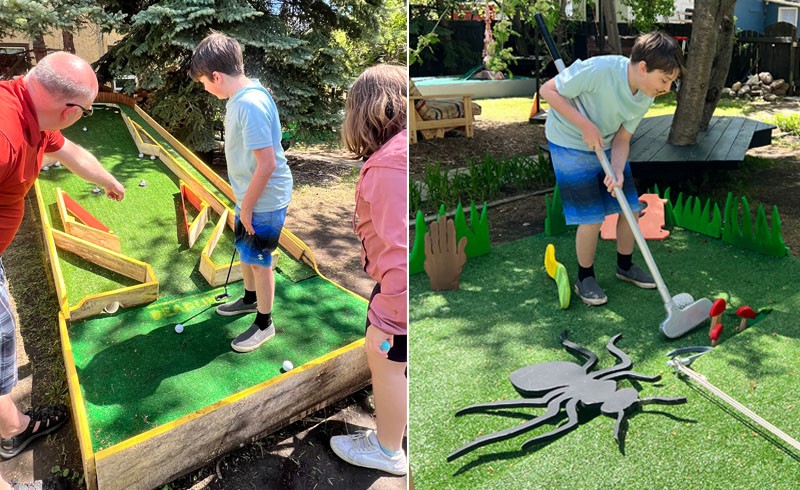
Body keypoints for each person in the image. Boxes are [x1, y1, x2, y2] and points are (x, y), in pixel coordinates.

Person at [0, 52, 125, 490]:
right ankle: (15, 432)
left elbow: (69, 149)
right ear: (70, 109)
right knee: (0, 341)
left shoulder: (32, 112)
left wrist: (107, 179)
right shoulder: (5, 135)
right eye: (85, 112)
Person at [539, 32, 683, 306]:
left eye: (670, 83)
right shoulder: (600, 70)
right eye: (664, 81)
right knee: (592, 217)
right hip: (568, 141)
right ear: (643, 68)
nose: (665, 88)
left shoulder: (645, 94)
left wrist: (616, 169)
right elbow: (548, 91)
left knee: (630, 208)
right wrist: (584, 125)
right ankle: (585, 277)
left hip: (606, 142)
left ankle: (625, 266)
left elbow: (623, 138)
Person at [190, 33, 293, 353]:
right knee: (246, 251)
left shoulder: (249, 103)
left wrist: (247, 208)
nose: (206, 88)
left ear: (216, 76)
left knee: (260, 260)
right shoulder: (243, 96)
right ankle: (250, 300)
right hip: (251, 195)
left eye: (205, 83)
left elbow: (267, 164)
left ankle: (265, 322)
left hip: (263, 198)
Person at [328, 65, 408, 476]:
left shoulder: (390, 166)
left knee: (388, 361)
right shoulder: (399, 153)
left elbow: (400, 254)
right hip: (398, 291)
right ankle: (393, 431)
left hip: (399, 301)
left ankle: (389, 449)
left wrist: (389, 319)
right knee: (397, 363)